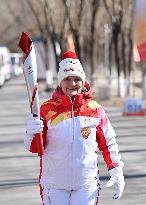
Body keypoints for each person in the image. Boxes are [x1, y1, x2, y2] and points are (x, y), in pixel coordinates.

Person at [24, 51, 125, 205]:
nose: (72, 84)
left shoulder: (94, 109)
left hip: (86, 183)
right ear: (60, 82)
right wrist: (30, 133)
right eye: (67, 79)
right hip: (54, 184)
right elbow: (36, 148)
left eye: (77, 79)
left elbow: (108, 143)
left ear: (83, 82)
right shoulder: (46, 110)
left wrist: (116, 168)